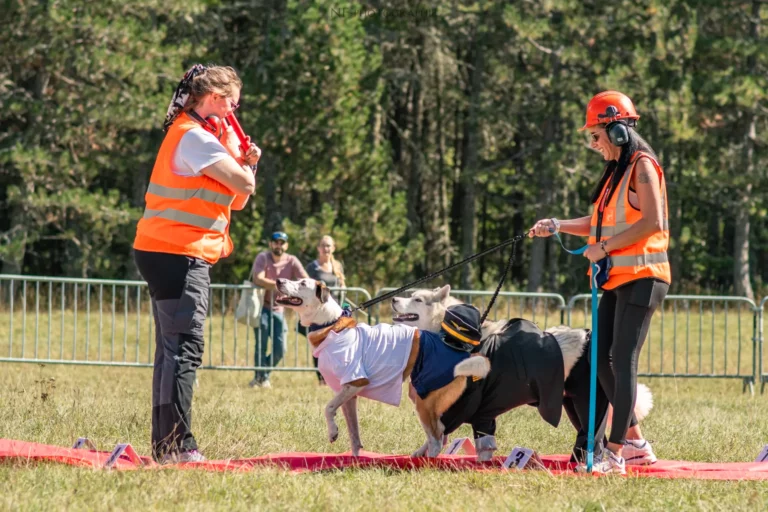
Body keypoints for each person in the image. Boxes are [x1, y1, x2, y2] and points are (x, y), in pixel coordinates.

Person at [529, 90, 670, 475]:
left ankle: (614, 455)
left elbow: (652, 222)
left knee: (621, 361)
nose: (593, 144)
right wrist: (557, 225)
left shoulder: (642, 165)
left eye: (596, 135)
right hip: (617, 278)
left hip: (643, 277)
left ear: (619, 130)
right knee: (601, 361)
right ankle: (637, 444)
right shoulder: (615, 173)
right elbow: (597, 225)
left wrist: (604, 247)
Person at [133, 64, 261, 463]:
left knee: (172, 350)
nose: (235, 112)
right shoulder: (195, 138)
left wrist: (244, 160)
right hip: (177, 253)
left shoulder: (200, 137)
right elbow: (246, 186)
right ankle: (178, 446)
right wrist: (244, 165)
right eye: (233, 103)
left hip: (170, 250)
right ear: (216, 100)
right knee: (184, 349)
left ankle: (165, 447)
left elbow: (238, 197)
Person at [250, 231, 309, 388]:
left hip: (279, 310)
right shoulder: (263, 257)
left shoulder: (292, 260)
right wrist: (281, 286)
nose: (279, 245)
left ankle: (263, 375)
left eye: (282, 242)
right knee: (261, 345)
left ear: (286, 245)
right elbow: (258, 278)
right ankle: (260, 378)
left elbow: (305, 279)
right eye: (276, 242)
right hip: (261, 307)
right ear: (271, 244)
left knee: (281, 348)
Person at [304, 235, 346, 384]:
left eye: (328, 246)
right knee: (319, 345)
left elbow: (343, 289)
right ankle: (321, 378)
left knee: (334, 345)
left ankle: (334, 376)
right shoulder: (311, 267)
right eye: (323, 245)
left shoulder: (338, 266)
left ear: (333, 248)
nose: (326, 249)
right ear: (318, 248)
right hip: (318, 314)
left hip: (334, 313)